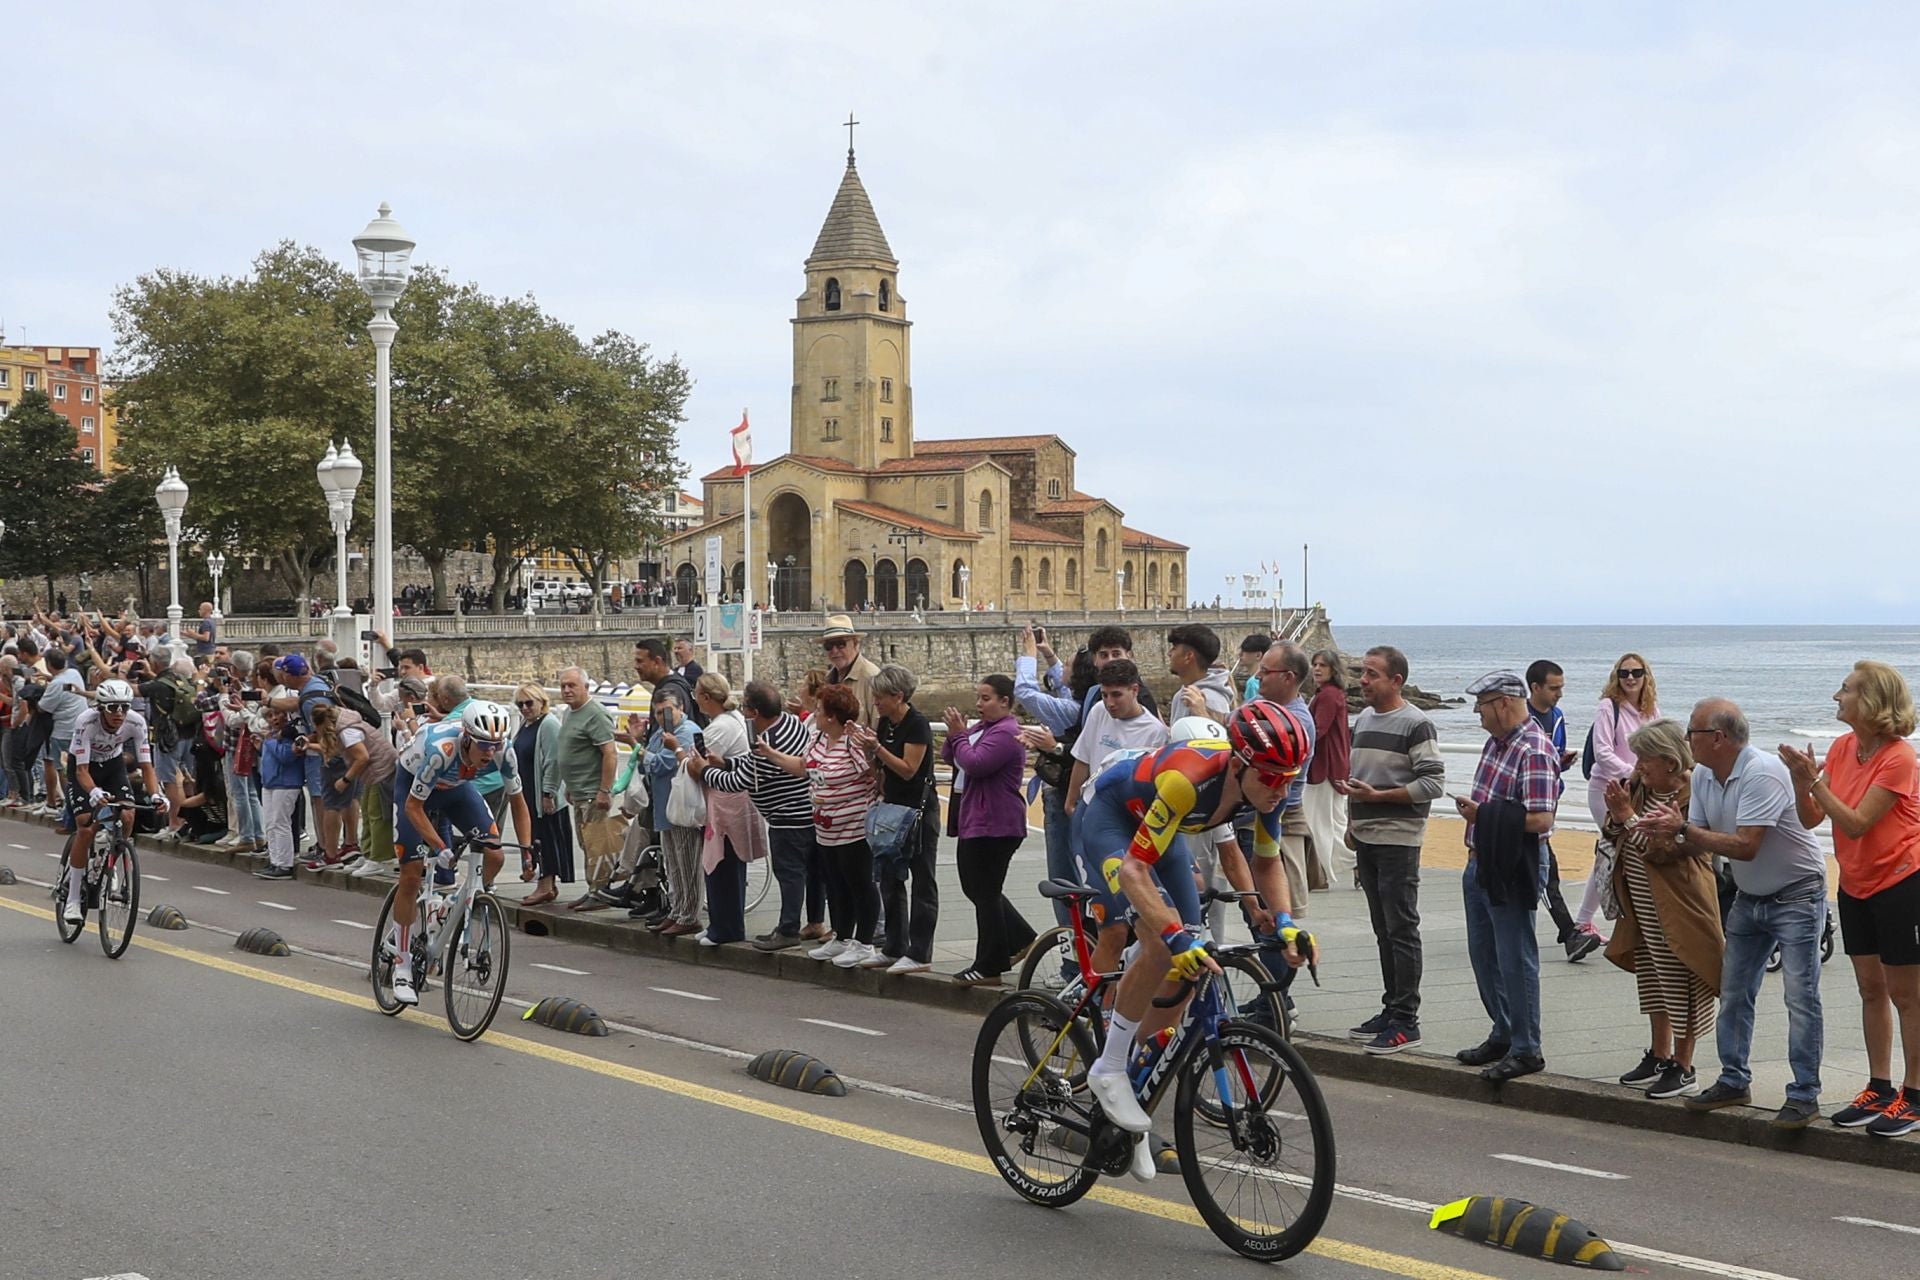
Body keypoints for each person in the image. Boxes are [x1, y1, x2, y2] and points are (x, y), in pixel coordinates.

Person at [1084, 701, 1314, 1183]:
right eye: (1273, 778)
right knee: (1162, 940)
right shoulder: (1186, 780)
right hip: (1110, 822)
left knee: (1191, 968)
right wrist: (1170, 933)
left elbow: (1268, 862)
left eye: (1291, 777)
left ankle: (1128, 1074)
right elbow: (1132, 870)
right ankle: (1107, 1067)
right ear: (1238, 763)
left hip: (1158, 835)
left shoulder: (1264, 789)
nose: (1282, 789)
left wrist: (1287, 922)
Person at [1645, 700, 1826, 1128]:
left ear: (1718, 738)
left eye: (1692, 732)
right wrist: (1668, 830)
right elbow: (1700, 840)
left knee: (1800, 997)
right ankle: (1733, 1079)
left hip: (1797, 893)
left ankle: (1804, 1094)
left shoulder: (1760, 772)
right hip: (1750, 894)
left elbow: (1746, 844)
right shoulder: (1706, 773)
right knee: (1734, 991)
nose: (1687, 740)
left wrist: (1684, 829)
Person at [1782, 661, 1920, 1136]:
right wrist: (1804, 782)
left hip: (1903, 882)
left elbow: (1859, 821)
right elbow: (1810, 819)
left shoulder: (1899, 757)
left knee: (1907, 994)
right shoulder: (1843, 748)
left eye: (1845, 690)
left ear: (1871, 700)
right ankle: (1879, 1088)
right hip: (1856, 881)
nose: (1836, 697)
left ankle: (1915, 1095)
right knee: (1869, 988)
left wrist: (1814, 781)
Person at [1601, 719, 1722, 1100]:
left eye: (1644, 760)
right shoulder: (1640, 787)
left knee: (1683, 976)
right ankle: (1659, 1054)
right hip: (1641, 901)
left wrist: (1625, 816)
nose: (1638, 767)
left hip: (1680, 902)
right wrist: (1619, 814)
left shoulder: (1693, 795)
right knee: (1653, 976)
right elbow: (1614, 828)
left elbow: (1663, 851)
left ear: (1670, 762)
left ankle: (1684, 1067)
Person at [1338, 646, 1446, 1055]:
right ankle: (1391, 1008)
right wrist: (1352, 821)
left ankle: (1406, 1019)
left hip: (1398, 840)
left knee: (1401, 928)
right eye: (1362, 672)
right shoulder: (1363, 718)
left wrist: (1379, 797)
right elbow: (1357, 776)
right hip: (1367, 837)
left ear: (1396, 680)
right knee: (1383, 928)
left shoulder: (1417, 724)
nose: (1362, 680)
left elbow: (1432, 784)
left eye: (1372, 674)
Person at [387, 702, 531, 1005]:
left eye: (496, 744)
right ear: (466, 736)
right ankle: (402, 963)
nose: (490, 752)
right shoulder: (443, 750)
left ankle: (450, 906)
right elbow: (414, 807)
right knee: (412, 875)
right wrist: (440, 848)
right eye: (483, 744)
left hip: (455, 790)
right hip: (412, 789)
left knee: (495, 855)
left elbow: (518, 803)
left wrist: (529, 852)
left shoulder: (504, 753)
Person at [1454, 671, 1560, 1081]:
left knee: (1515, 956)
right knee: (1484, 953)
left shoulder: (1532, 749)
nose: (1478, 715)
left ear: (1502, 703)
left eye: (1481, 706)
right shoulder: (1496, 743)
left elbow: (1541, 819)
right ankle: (1504, 1030)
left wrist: (1483, 816)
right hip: (1481, 857)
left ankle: (1527, 1048)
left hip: (1513, 860)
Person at [704, 680, 817, 950]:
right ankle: (814, 922)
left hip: (787, 817)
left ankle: (789, 929)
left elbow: (738, 782)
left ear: (753, 712)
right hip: (808, 812)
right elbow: (750, 765)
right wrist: (728, 762)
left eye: (744, 707)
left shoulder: (768, 743)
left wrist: (703, 770)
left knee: (790, 874)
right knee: (812, 872)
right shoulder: (791, 723)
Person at [943, 675, 1037, 986]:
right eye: (979, 698)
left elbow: (975, 763)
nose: (979, 704)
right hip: (975, 820)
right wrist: (956, 735)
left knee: (985, 891)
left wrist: (958, 737)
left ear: (1005, 702)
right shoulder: (982, 730)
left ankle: (989, 963)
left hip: (997, 824)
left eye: (986, 699)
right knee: (977, 889)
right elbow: (951, 757)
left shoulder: (1007, 733)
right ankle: (1020, 937)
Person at [59, 680, 166, 922]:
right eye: (113, 708)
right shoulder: (86, 722)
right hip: (84, 769)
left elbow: (146, 766)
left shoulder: (136, 722)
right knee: (85, 827)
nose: (119, 713)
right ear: (100, 708)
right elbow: (81, 771)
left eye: (124, 708)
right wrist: (94, 792)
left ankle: (113, 854)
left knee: (128, 814)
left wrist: (157, 794)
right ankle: (74, 899)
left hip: (112, 766)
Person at [1578, 653, 1661, 945]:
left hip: (1637, 790)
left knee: (1617, 851)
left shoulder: (1650, 710)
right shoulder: (1608, 707)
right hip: (1607, 789)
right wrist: (1633, 773)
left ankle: (1587, 921)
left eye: (1636, 673)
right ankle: (1584, 922)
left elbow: (1659, 745)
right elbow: (1603, 752)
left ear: (1645, 676)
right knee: (1614, 850)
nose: (1630, 678)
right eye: (1624, 673)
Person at [871, 664, 939, 973]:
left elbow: (909, 769)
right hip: (891, 808)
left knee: (922, 880)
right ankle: (894, 945)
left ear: (898, 696)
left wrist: (877, 750)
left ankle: (920, 951)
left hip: (918, 812)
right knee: (889, 876)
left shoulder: (917, 724)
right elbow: (882, 767)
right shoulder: (886, 723)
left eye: (880, 697)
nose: (876, 702)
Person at [1525, 660, 1592, 961]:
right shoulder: (1520, 719)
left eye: (1561, 687)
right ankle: (1570, 934)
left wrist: (1560, 764)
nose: (1559, 694)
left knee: (1539, 873)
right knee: (1546, 872)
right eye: (1554, 688)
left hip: (1548, 805)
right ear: (1535, 687)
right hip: (1525, 811)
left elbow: (1550, 759)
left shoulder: (1558, 717)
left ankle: (1569, 934)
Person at [690, 673, 760, 947]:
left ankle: (726, 926)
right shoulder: (733, 721)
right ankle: (719, 922)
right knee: (722, 864)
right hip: (729, 799)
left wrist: (687, 759)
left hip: (726, 800)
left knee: (723, 864)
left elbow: (697, 764)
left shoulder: (720, 727)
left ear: (706, 698)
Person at [1063, 659, 1168, 811]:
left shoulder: (1156, 732)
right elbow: (1083, 759)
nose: (1109, 703)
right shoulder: (1099, 711)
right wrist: (1070, 803)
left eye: (1116, 695)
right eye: (1104, 695)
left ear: (1135, 690)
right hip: (1090, 806)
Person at [644, 688, 707, 936]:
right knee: (673, 864)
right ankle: (677, 909)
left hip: (683, 807)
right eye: (658, 712)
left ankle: (689, 914)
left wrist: (641, 751)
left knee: (687, 861)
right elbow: (648, 764)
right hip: (665, 807)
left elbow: (663, 763)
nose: (662, 717)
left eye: (667, 711)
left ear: (681, 708)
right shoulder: (660, 734)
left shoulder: (687, 732)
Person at [554, 667, 619, 904]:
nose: (567, 690)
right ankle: (594, 888)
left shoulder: (596, 714)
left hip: (593, 792)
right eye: (563, 686)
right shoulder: (571, 713)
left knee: (596, 843)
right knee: (585, 843)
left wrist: (604, 790)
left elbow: (609, 754)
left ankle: (600, 892)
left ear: (586, 687)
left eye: (572, 685)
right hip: (578, 791)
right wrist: (569, 785)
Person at [513, 684, 572, 906]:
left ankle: (545, 885)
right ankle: (545, 884)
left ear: (541, 702)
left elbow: (553, 761)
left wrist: (548, 793)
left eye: (529, 703)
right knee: (537, 837)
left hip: (542, 795)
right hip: (527, 792)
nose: (525, 708)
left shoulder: (548, 725)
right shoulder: (526, 724)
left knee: (545, 839)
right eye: (520, 704)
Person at [1303, 649, 1352, 892]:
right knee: (1332, 820)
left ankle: (1321, 872)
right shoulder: (1331, 694)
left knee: (1318, 821)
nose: (1317, 669)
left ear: (1333, 669)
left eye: (1323, 665)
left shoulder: (1328, 696)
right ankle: (1355, 862)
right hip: (1334, 765)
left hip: (1324, 766)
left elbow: (1317, 730)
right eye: (1315, 664)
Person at [253, 691, 306, 880]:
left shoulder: (290, 733)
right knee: (271, 823)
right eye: (270, 715)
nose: (274, 719)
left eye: (277, 714)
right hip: (270, 782)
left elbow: (286, 755)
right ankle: (275, 859)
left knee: (280, 822)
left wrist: (269, 742)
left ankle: (284, 863)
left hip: (286, 783)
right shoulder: (273, 736)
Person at [1166, 623, 1236, 723]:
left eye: (1174, 648)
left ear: (1188, 656)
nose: (1169, 654)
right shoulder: (1180, 695)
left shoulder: (1212, 700)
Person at [821, 615, 881, 727]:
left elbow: (879, 726)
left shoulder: (871, 677)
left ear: (855, 644)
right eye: (829, 646)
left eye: (840, 644)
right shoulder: (828, 679)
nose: (834, 651)